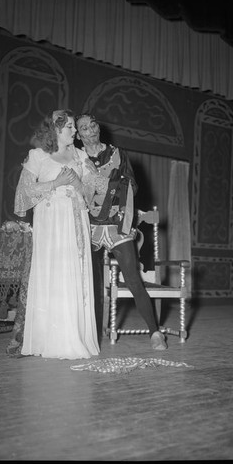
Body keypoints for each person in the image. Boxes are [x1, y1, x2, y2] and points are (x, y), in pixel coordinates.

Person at [74, 113, 167, 351]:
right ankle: (86, 336)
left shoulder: (118, 154)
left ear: (98, 127)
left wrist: (106, 188)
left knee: (134, 280)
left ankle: (155, 333)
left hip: (117, 224)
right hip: (89, 225)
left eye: (93, 124)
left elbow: (132, 187)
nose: (90, 130)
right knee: (86, 283)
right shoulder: (77, 157)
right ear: (78, 134)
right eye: (84, 127)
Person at [13, 109, 100, 359]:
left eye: (74, 126)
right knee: (52, 273)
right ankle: (47, 339)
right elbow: (23, 193)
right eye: (70, 127)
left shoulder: (81, 157)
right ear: (55, 129)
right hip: (50, 221)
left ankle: (74, 336)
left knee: (72, 272)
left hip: (74, 219)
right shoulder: (38, 155)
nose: (75, 131)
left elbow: (91, 196)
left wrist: (76, 183)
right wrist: (56, 183)